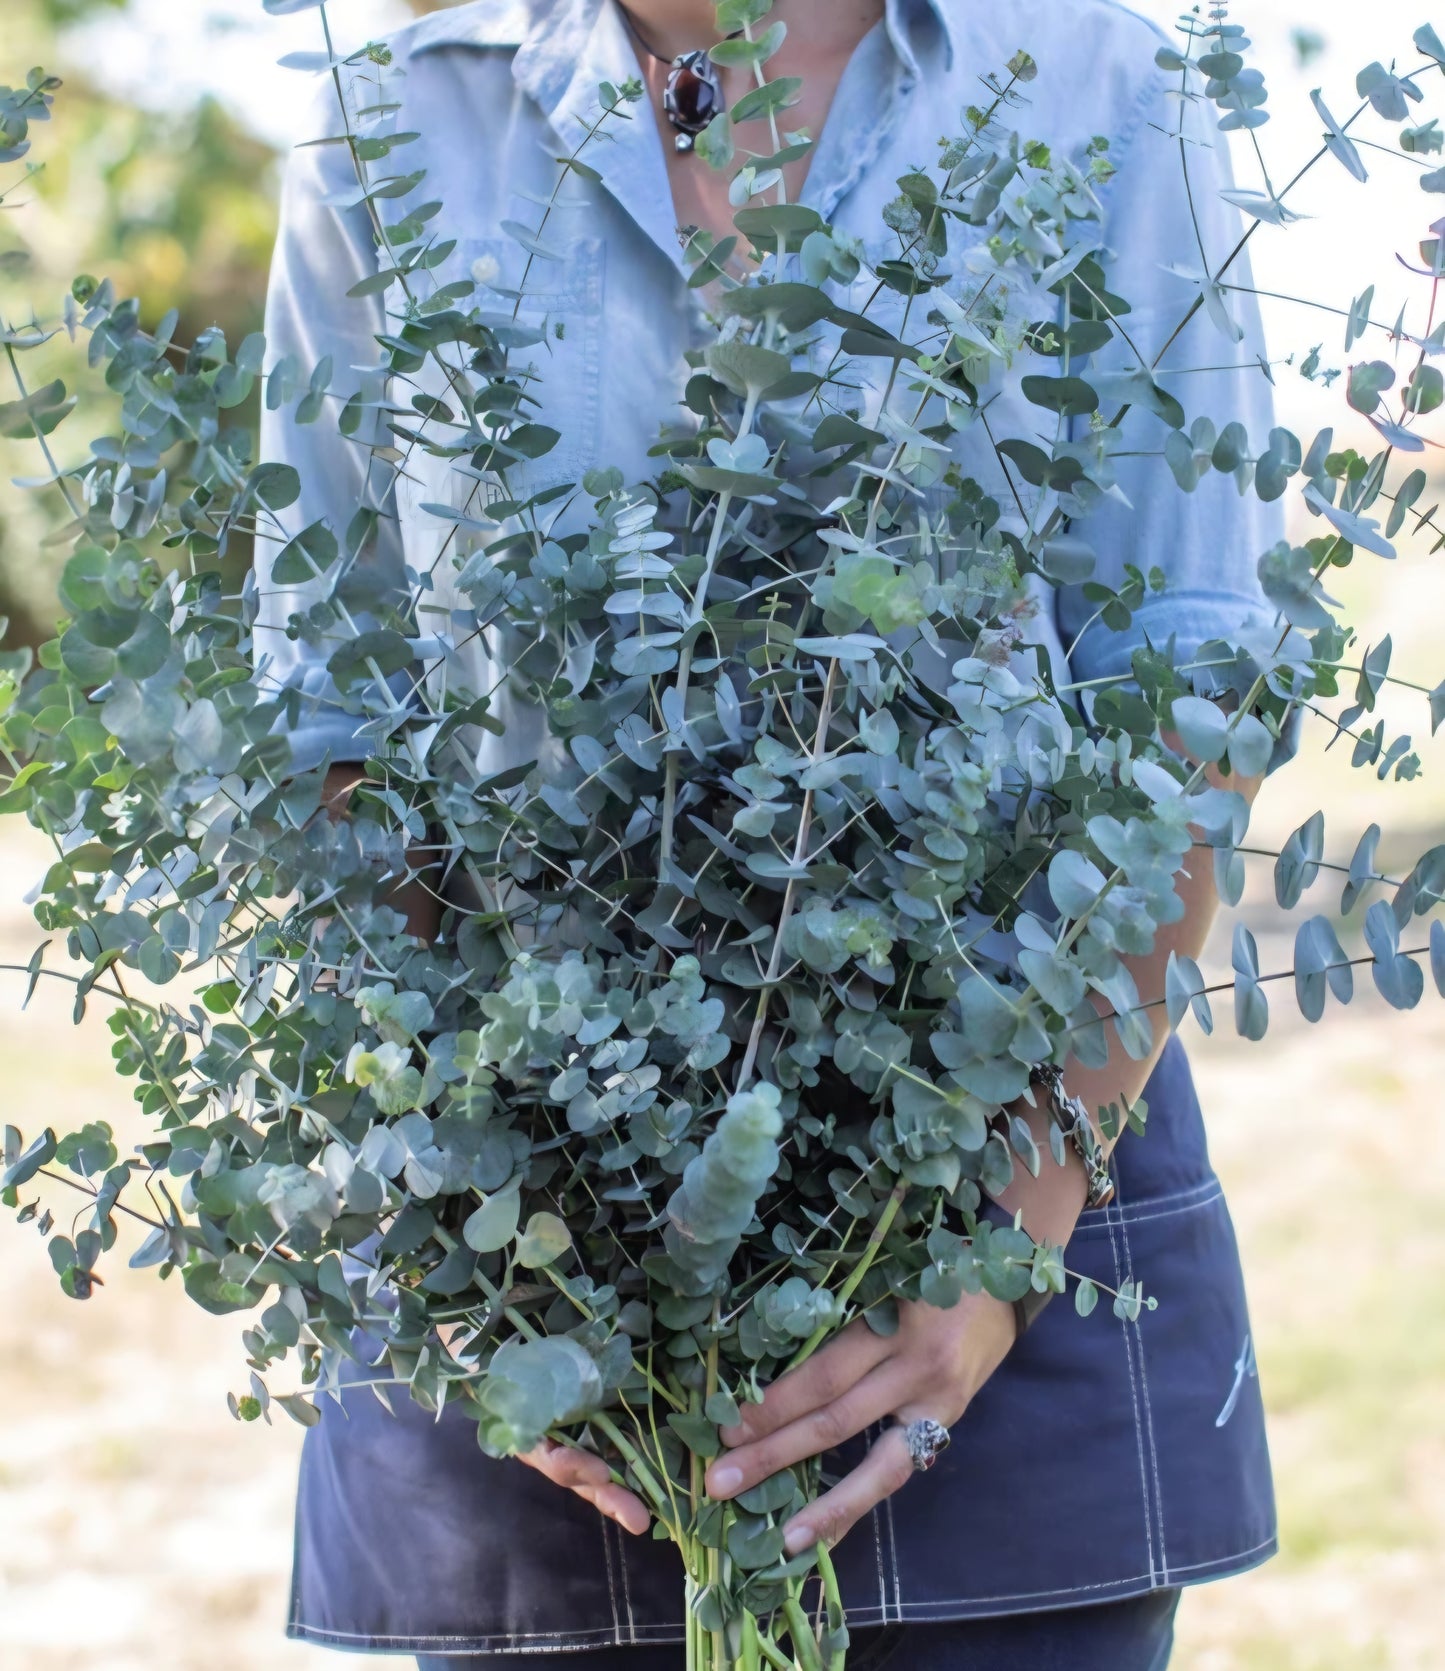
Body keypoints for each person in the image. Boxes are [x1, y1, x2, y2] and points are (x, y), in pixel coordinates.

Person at [255, 1, 1291, 1665]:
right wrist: (487, 1264)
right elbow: (330, 728)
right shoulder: (392, 120)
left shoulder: (1109, 81)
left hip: (992, 1195)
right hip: (544, 1268)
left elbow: (1188, 686)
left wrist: (990, 1243)